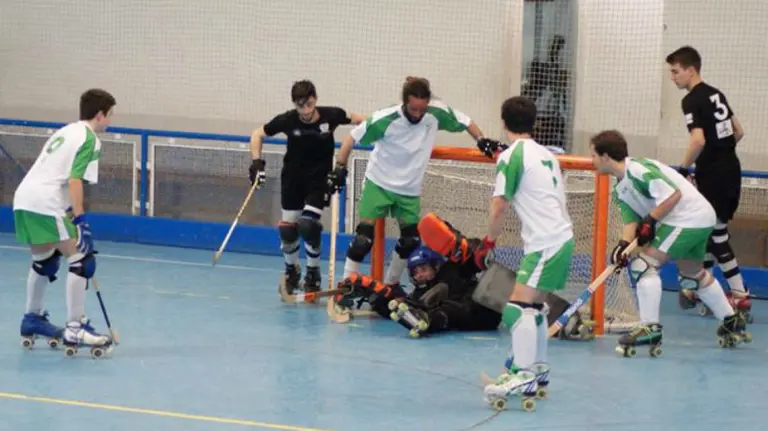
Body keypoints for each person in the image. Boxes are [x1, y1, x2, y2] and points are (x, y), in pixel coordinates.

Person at [332, 76, 500, 303]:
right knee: (364, 239)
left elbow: (465, 121)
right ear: (404, 103)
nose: (418, 114)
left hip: (409, 189)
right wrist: (340, 167)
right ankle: (346, 285)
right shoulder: (386, 118)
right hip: (379, 183)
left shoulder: (435, 112)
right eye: (413, 109)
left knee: (410, 241)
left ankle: (391, 284)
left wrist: (481, 139)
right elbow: (350, 139)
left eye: (422, 109)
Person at [588, 130, 751, 356]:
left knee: (643, 265)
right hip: (699, 218)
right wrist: (622, 247)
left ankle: (649, 327)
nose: (592, 161)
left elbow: (672, 195)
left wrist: (652, 219)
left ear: (605, 156)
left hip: (687, 218)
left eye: (594, 155)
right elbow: (631, 221)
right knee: (692, 275)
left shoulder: (638, 170)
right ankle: (730, 320)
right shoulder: (620, 186)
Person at [467, 96, 575, 412]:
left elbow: (499, 205)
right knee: (534, 307)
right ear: (534, 123)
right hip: (560, 238)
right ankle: (538, 369)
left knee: (515, 308)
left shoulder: (511, 156)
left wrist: (488, 241)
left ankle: (524, 375)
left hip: (545, 241)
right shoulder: (545, 154)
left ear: (503, 121)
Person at [13, 88, 116, 357]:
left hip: (25, 198)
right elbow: (73, 179)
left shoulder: (66, 131)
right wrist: (80, 219)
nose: (111, 120)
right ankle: (75, 326)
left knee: (45, 260)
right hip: (46, 202)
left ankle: (32, 319)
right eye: (110, 115)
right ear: (100, 114)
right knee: (81, 258)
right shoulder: (90, 139)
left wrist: (70, 211)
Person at [249, 80, 364, 294]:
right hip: (292, 179)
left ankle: (313, 272)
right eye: (300, 106)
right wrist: (256, 161)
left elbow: (362, 121)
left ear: (315, 99)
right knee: (287, 229)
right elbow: (257, 134)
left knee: (308, 225)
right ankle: (292, 269)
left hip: (319, 180)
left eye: (309, 104)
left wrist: (341, 163)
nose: (305, 110)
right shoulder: (288, 120)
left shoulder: (332, 115)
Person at [665, 46, 751, 320]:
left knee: (716, 236)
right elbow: (739, 131)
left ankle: (739, 294)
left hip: (714, 175)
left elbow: (698, 140)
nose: (673, 77)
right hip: (731, 169)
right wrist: (721, 152)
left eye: (675, 71)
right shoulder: (717, 94)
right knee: (710, 232)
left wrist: (683, 168)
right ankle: (701, 289)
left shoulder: (691, 100)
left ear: (691, 70)